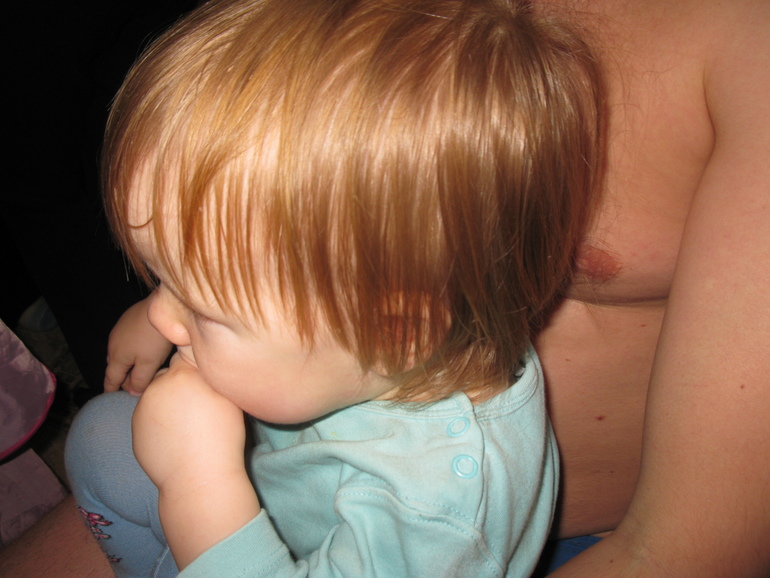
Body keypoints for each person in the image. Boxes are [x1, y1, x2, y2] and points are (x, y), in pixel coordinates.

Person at [0, 0, 767, 576]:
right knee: (102, 439)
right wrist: (172, 300)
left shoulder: (432, 516)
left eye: (201, 308)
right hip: (288, 467)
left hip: (314, 539)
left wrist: (199, 485)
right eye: (162, 277)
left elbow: (690, 545)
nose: (168, 319)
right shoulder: (362, 331)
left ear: (396, 330)